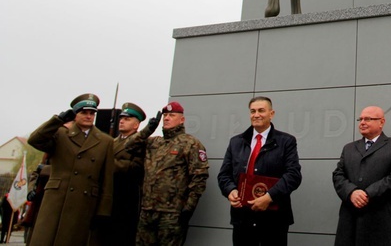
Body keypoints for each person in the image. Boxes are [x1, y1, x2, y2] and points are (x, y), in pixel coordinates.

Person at [27, 93, 115, 246]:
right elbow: (35, 140)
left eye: (92, 113)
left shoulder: (105, 141)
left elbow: (107, 179)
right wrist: (57, 120)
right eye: (84, 112)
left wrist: (103, 210)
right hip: (56, 200)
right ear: (75, 115)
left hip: (84, 203)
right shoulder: (60, 134)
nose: (88, 116)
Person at [217, 96, 302, 245]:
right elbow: (224, 175)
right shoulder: (236, 142)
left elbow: (293, 175)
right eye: (253, 111)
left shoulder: (286, 141)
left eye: (261, 110)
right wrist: (231, 191)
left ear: (271, 113)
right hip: (242, 218)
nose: (256, 115)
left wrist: (269, 197)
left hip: (274, 219)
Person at [128, 101, 209, 246]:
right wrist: (148, 129)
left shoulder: (190, 143)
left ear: (182, 119)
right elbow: (128, 147)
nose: (166, 118)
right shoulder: (153, 142)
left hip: (172, 213)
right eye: (165, 115)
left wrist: (188, 208)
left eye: (171, 115)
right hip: (148, 210)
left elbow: (199, 177)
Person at [332, 105, 391, 246]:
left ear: (381, 122)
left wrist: (368, 194)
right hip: (351, 217)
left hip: (381, 218)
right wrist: (352, 192)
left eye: (368, 119)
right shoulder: (349, 148)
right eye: (360, 119)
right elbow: (338, 175)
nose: (362, 122)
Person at [110, 102, 146, 246]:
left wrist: (109, 164)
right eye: (121, 118)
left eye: (127, 119)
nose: (122, 121)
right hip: (109, 195)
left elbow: (136, 167)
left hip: (126, 197)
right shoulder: (111, 142)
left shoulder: (140, 143)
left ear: (136, 125)